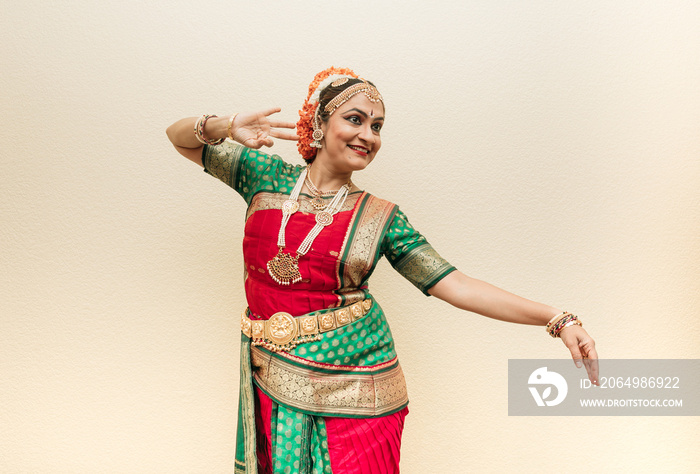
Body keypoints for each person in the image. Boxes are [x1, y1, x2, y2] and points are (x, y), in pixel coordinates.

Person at [166, 67, 598, 474]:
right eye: (355, 119)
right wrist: (226, 124)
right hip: (274, 372)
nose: (368, 135)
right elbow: (179, 137)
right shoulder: (263, 177)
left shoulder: (380, 217)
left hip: (360, 389)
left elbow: (457, 285)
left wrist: (555, 319)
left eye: (377, 127)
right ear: (319, 123)